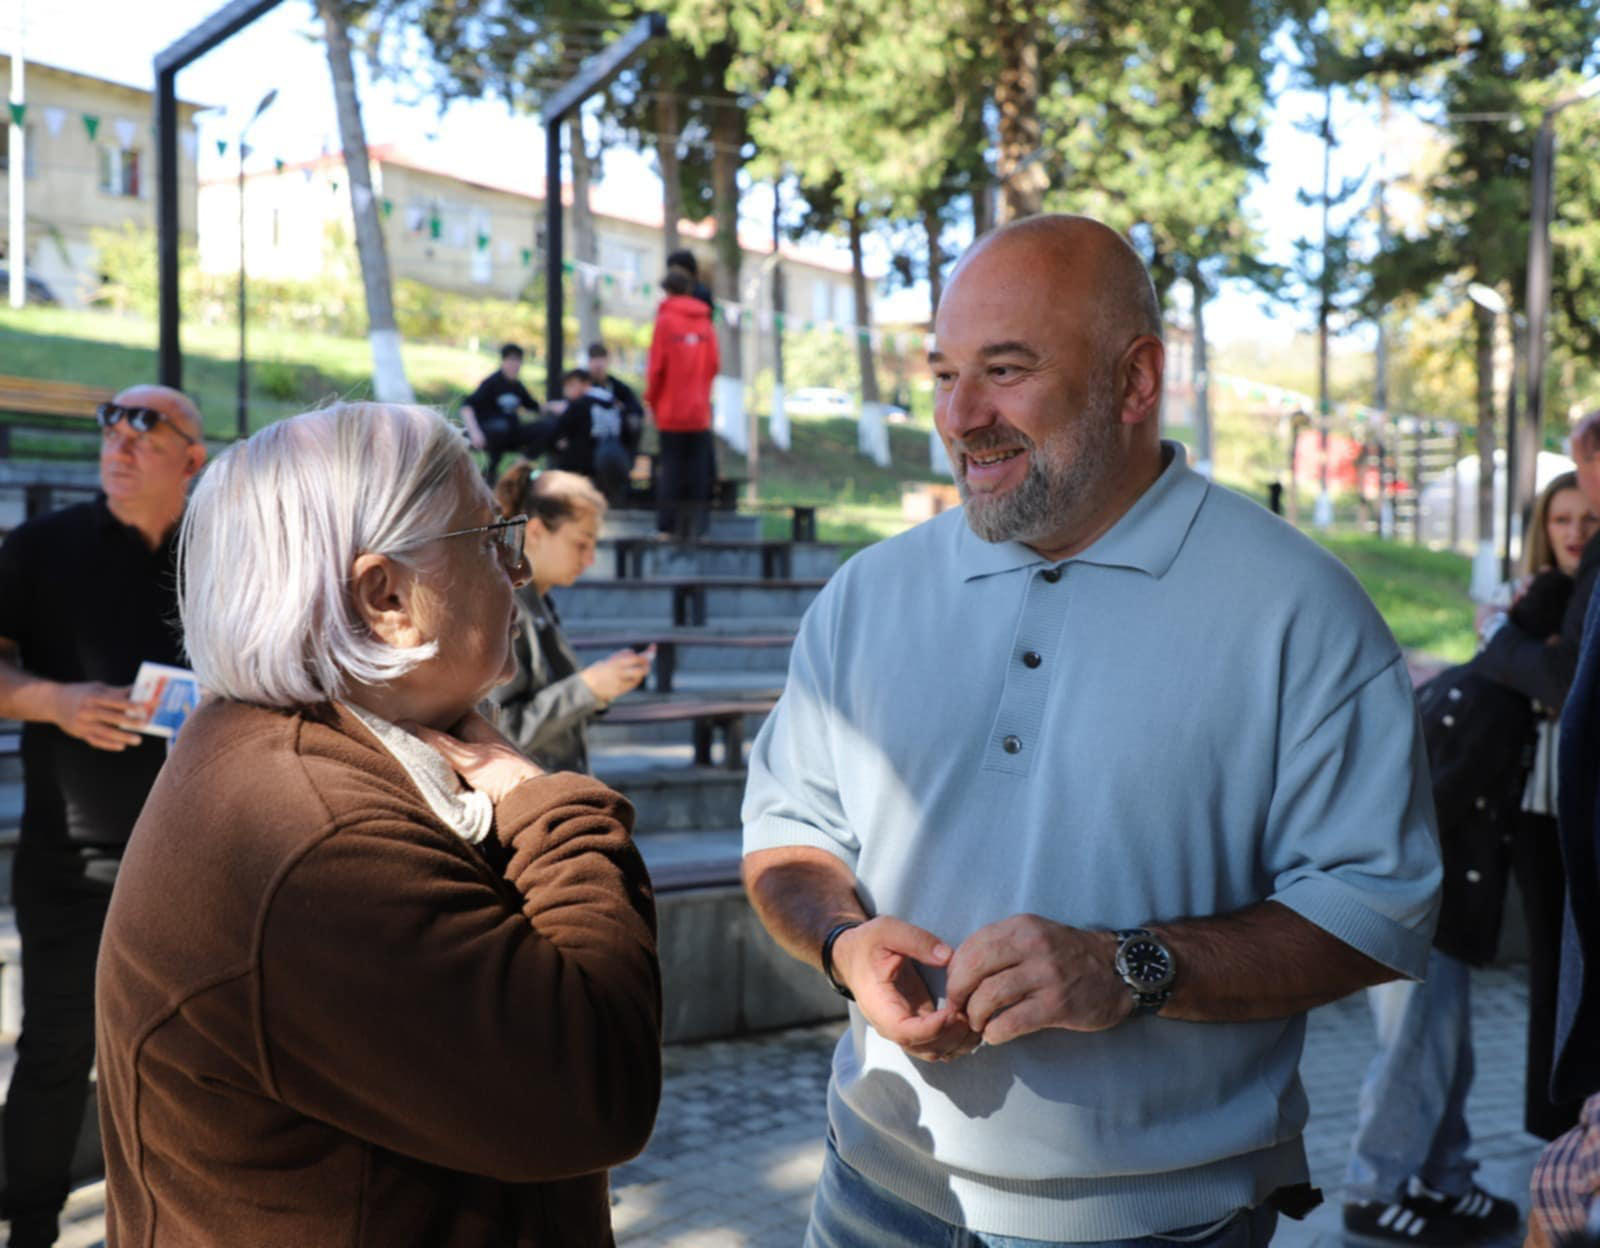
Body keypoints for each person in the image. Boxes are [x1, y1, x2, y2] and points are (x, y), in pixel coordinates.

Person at [742, 214, 1442, 1248]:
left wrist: (1132, 967)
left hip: (1166, 1223)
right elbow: (788, 835)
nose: (960, 414)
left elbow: (1372, 911)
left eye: (1006, 370)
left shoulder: (1300, 609)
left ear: (1135, 380)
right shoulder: (868, 593)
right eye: (942, 374)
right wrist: (843, 943)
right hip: (871, 1191)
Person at [94, 402, 661, 1247]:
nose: (514, 573)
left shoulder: (285, 756)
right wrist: (545, 804)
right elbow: (596, 1089)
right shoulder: (315, 837)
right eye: (491, 541)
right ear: (386, 595)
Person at [1339, 474, 1596, 1245]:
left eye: (1592, 517)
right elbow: (1428, 808)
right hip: (1417, 902)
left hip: (1445, 904)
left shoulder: (1500, 669)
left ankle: (1446, 1180)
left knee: (1445, 1049)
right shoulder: (1494, 692)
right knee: (1416, 1050)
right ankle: (1370, 1188)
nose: (1577, 529)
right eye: (1562, 516)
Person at [0, 385, 206, 1248]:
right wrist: (53, 699)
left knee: (184, 1067)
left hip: (196, 861)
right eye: (110, 424)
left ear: (193, 460)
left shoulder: (223, 556)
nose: (118, 439)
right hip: (72, 860)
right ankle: (30, 1230)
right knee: (55, 1055)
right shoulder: (39, 549)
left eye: (145, 427)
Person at [490, 464, 653, 773]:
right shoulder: (502, 608)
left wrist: (602, 687)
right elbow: (501, 732)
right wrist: (587, 687)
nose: (590, 558)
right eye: (581, 543)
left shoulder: (537, 602)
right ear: (536, 532)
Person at [646, 267, 720, 539]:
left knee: (671, 469)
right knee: (698, 470)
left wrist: (651, 400)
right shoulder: (706, 322)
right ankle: (698, 527)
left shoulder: (665, 320)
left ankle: (667, 527)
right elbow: (714, 364)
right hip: (699, 410)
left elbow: (656, 368)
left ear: (667, 290)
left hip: (670, 410)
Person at [544, 369, 638, 505]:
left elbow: (559, 430)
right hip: (618, 454)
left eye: (571, 385)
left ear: (585, 384)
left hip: (589, 461)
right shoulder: (611, 401)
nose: (567, 390)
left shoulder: (581, 404)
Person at [460, 342, 545, 482]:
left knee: (545, 427)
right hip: (489, 433)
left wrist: (556, 407)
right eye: (511, 360)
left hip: (511, 432)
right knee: (501, 427)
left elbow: (534, 407)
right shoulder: (491, 383)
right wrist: (475, 432)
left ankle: (518, 467)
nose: (515, 364)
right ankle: (490, 471)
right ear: (504, 361)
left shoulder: (517, 386)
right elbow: (467, 407)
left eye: (518, 360)